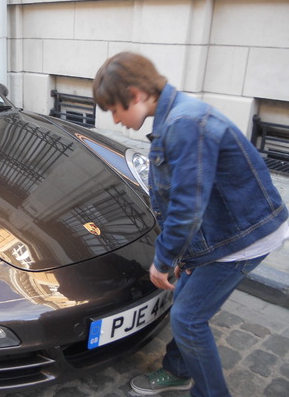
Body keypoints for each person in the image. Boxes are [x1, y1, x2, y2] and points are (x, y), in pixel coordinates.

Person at [92, 52, 289, 397]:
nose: (115, 119)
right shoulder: (178, 116)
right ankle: (179, 371)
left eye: (114, 108)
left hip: (241, 237)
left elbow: (187, 207)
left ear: (135, 95)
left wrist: (164, 261)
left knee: (188, 319)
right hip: (225, 231)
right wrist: (185, 257)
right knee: (187, 303)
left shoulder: (184, 124)